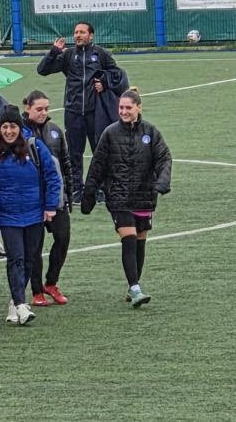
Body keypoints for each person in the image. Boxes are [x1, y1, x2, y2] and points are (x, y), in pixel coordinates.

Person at [81, 88, 172, 308]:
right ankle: (135, 287)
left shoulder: (151, 131)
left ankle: (134, 285)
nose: (123, 111)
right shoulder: (110, 133)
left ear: (139, 108)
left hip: (144, 196)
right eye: (121, 108)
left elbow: (164, 158)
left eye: (128, 108)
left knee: (140, 242)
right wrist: (89, 193)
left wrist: (162, 182)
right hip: (119, 196)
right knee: (129, 238)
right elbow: (98, 165)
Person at [0, 106, 61, 325]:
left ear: (20, 127)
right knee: (15, 259)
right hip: (8, 217)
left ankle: (14, 302)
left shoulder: (35, 147)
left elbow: (52, 176)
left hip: (34, 214)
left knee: (29, 260)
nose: (9, 131)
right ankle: (20, 304)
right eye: (5, 127)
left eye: (13, 126)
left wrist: (50, 206)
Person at [36, 21, 121, 202]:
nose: (78, 35)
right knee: (74, 153)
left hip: (95, 112)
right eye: (76, 32)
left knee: (99, 151)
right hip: (73, 111)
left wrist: (104, 81)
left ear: (91, 35)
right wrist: (53, 52)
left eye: (82, 32)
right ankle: (76, 189)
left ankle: (100, 189)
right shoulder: (68, 55)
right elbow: (42, 70)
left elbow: (117, 74)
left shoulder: (101, 54)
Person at [21, 90, 73, 306]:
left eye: (46, 109)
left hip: (56, 198)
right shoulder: (20, 133)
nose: (43, 113)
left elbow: (66, 162)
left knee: (63, 238)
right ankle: (36, 292)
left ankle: (51, 283)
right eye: (39, 109)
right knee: (35, 247)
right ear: (27, 108)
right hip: (33, 200)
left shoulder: (54, 131)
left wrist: (69, 193)